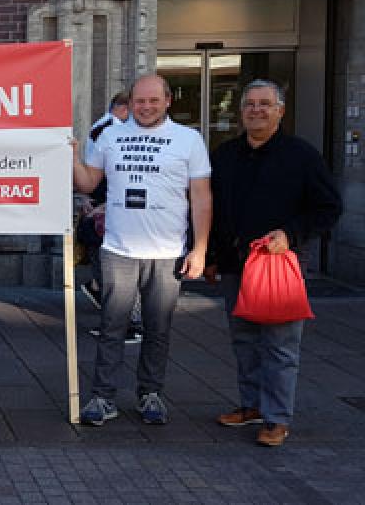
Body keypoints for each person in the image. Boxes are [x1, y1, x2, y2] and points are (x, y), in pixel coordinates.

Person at [206, 79, 342, 447]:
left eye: (265, 104)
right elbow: (215, 210)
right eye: (249, 103)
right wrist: (213, 257)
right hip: (236, 264)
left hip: (280, 267)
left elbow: (329, 208)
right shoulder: (225, 154)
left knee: (280, 346)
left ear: (281, 111)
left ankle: (277, 418)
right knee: (244, 340)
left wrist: (291, 234)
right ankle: (251, 406)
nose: (256, 110)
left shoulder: (302, 156)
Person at [73, 74, 213, 426]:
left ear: (168, 101)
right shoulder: (109, 135)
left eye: (153, 101)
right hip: (119, 249)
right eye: (139, 101)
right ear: (130, 101)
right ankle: (103, 397)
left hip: (167, 251)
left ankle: (150, 393)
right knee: (111, 326)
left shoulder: (189, 140)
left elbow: (201, 196)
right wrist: (71, 156)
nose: (146, 107)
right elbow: (89, 182)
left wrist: (200, 248)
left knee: (158, 328)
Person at [78, 93, 144, 344]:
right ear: (123, 108)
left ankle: (125, 323)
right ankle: (126, 323)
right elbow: (106, 173)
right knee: (115, 269)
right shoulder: (110, 132)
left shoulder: (102, 128)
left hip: (104, 206)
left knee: (116, 270)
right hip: (106, 208)